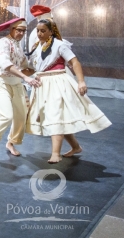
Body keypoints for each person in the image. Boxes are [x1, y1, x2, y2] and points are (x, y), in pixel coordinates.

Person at [27, 19, 111, 163]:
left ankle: (55, 153)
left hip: (57, 83)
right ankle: (76, 147)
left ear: (51, 32)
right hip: (42, 85)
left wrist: (81, 81)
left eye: (43, 31)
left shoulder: (60, 45)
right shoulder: (37, 47)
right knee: (59, 118)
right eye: (38, 30)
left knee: (56, 116)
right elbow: (31, 68)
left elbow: (74, 62)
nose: (39, 33)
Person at [0, 17, 41, 158]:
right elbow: (5, 64)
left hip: (16, 83)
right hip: (1, 82)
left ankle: (11, 142)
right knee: (6, 115)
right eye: (19, 30)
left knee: (21, 114)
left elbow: (27, 66)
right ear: (11, 29)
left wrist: (42, 70)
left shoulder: (18, 45)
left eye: (23, 31)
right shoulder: (3, 43)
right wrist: (26, 78)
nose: (21, 33)